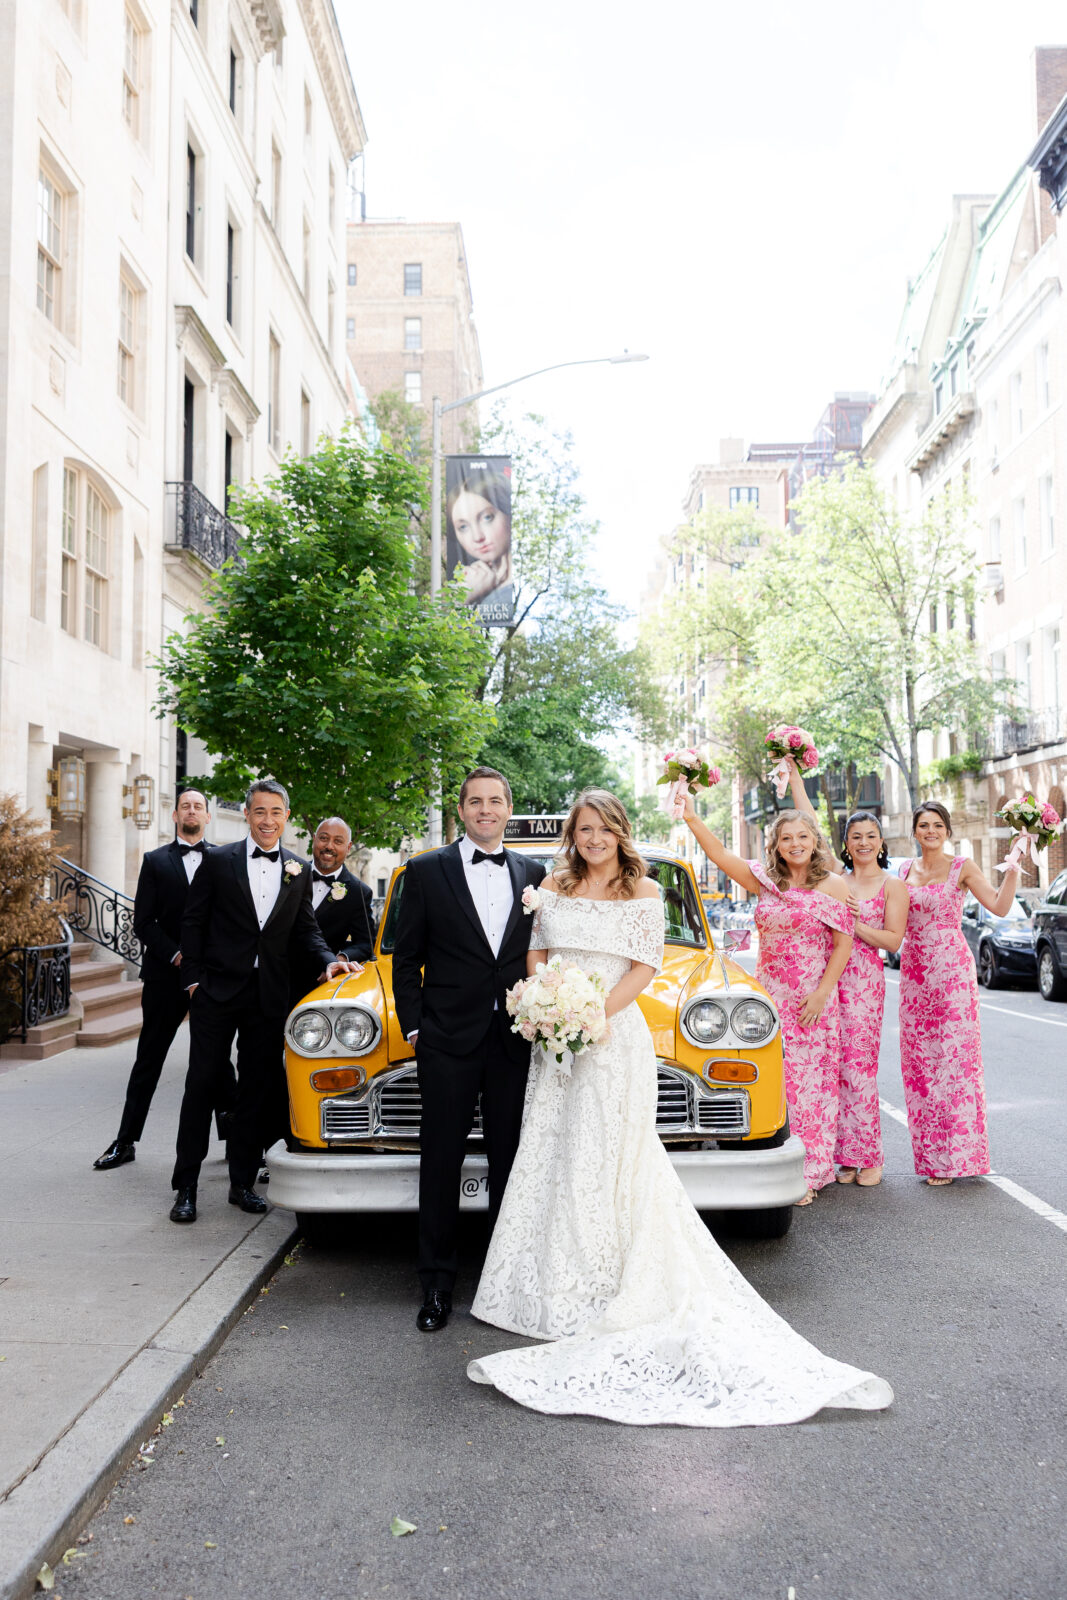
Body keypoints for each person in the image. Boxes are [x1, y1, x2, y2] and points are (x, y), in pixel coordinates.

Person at [468, 789, 892, 1426]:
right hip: (555, 1039)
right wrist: (547, 1003)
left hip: (610, 1037)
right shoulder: (553, 884)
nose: (593, 839)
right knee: (555, 1149)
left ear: (619, 832)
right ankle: (551, 1284)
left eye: (603, 829)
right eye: (583, 829)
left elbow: (644, 967)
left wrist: (588, 1016)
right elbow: (537, 952)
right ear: (573, 835)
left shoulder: (644, 890)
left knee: (612, 1154)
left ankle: (610, 1280)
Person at [392, 766, 545, 1333]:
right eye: (475, 801)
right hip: (445, 1041)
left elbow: (541, 952)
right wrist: (416, 1029)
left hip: (514, 1039)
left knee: (511, 1160)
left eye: (495, 801)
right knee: (441, 1161)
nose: (486, 810)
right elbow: (406, 960)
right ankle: (436, 1284)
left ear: (509, 809)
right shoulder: (425, 870)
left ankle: (501, 1283)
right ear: (461, 810)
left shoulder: (534, 874)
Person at [170, 779, 359, 1225]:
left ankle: (241, 1183)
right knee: (201, 1084)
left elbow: (306, 929)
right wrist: (193, 981)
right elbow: (193, 922)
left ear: (286, 817)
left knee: (255, 1090)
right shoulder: (218, 861)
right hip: (216, 992)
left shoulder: (298, 869)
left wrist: (331, 961)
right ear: (248, 814)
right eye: (259, 811)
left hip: (268, 995)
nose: (268, 820)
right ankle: (186, 1187)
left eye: (276, 812)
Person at [681, 798, 853, 1204]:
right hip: (769, 1001)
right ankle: (774, 1165)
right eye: (786, 838)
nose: (795, 844)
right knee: (779, 1083)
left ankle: (810, 1174)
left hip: (813, 999)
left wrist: (821, 994)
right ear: (775, 845)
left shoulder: (833, 884)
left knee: (813, 1086)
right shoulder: (765, 881)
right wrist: (690, 815)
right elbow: (719, 854)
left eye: (803, 836)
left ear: (815, 840)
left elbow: (843, 944)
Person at [93, 789, 236, 1172]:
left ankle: (234, 1142)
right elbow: (144, 922)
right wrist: (176, 954)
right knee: (149, 1059)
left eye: (198, 806)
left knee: (219, 1062)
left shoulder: (224, 860)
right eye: (185, 806)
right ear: (175, 815)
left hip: (209, 978)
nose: (191, 811)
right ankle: (125, 1141)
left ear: (208, 816)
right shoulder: (155, 861)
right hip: (164, 976)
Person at [784, 763, 907, 1187]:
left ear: (881, 842)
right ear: (846, 843)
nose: (864, 843)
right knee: (831, 1069)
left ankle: (868, 1155)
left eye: (871, 836)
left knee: (858, 1068)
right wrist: (796, 779)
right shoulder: (836, 877)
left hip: (863, 982)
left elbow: (892, 941)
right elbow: (811, 827)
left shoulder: (892, 885)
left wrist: (850, 924)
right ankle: (843, 1157)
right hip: (824, 978)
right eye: (856, 836)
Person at [897, 800, 1020, 1186]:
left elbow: (999, 906)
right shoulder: (902, 871)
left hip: (951, 974)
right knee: (920, 1065)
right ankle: (931, 1157)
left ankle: (957, 1159)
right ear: (914, 832)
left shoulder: (962, 867)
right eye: (923, 825)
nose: (930, 831)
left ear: (947, 831)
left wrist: (1013, 868)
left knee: (953, 1063)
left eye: (937, 825)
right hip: (914, 974)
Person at [288, 815, 377, 1010]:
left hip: (317, 985)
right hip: (272, 980)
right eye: (324, 838)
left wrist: (339, 960)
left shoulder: (358, 891)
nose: (329, 846)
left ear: (348, 847)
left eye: (338, 841)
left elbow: (366, 943)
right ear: (314, 839)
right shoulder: (290, 873)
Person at [446, 463, 512, 606]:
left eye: (487, 518)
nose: (477, 537)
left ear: (509, 514)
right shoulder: (472, 582)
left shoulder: (520, 587)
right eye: (463, 527)